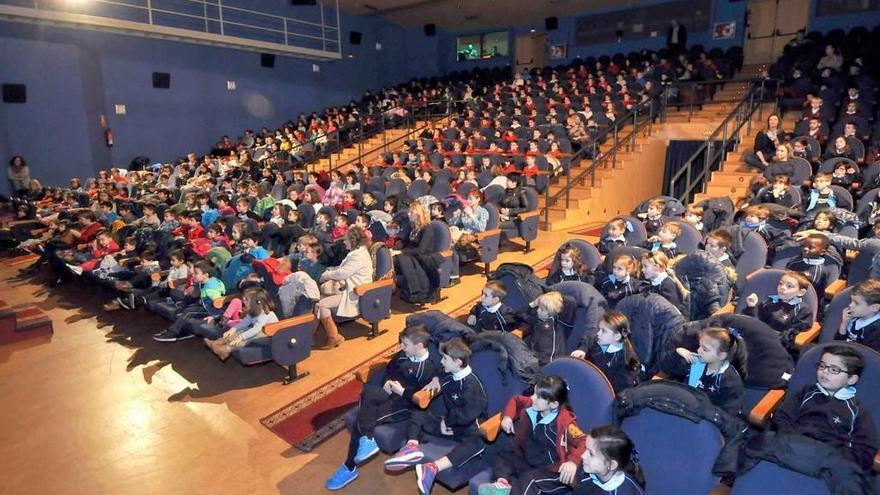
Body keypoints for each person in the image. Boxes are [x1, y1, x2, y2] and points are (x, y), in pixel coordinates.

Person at [325, 324, 439, 490]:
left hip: (405, 404)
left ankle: (350, 466)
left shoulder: (428, 369)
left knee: (360, 421)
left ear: (419, 346)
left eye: (405, 344)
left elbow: (421, 399)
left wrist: (403, 391)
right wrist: (387, 382)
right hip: (390, 393)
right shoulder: (402, 355)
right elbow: (390, 370)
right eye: (401, 343)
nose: (401, 347)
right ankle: (368, 440)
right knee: (368, 392)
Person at [384, 338, 488, 495]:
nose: (441, 361)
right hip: (448, 426)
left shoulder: (471, 385)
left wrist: (448, 422)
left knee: (478, 443)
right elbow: (435, 378)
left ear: (458, 362)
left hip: (470, 429)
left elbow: (469, 414)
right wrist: (434, 379)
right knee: (419, 414)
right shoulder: (450, 376)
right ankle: (411, 447)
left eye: (445, 358)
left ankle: (432, 468)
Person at [769, 345, 878, 471]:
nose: (824, 372)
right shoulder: (805, 393)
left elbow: (866, 446)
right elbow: (783, 416)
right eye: (822, 366)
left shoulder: (856, 409)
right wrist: (790, 439)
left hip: (831, 461)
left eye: (834, 370)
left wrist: (839, 459)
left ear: (852, 379)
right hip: (793, 445)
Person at [477, 375, 585, 495]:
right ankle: (503, 483)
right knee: (502, 456)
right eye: (534, 393)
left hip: (553, 470)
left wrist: (572, 462)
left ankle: (513, 490)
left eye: (538, 396)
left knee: (529, 481)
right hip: (529, 460)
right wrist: (507, 417)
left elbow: (584, 441)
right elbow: (516, 400)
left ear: (554, 404)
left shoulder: (565, 422)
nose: (532, 398)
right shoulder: (532, 405)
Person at [315, 226, 373, 349]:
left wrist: (326, 275)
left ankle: (334, 337)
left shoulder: (357, 256)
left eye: (346, 240)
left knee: (321, 305)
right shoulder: (358, 252)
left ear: (353, 241)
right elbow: (343, 269)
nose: (344, 242)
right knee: (316, 299)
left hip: (355, 293)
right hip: (350, 288)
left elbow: (343, 273)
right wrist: (331, 270)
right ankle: (310, 335)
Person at [673, 326, 747, 417]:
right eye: (699, 346)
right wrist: (678, 352)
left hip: (708, 420)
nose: (698, 350)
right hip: (685, 410)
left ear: (722, 356)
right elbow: (668, 368)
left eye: (705, 349)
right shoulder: (696, 363)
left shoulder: (731, 382)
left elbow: (728, 414)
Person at [571, 311, 641, 393]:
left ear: (617, 336)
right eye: (599, 329)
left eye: (603, 331)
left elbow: (618, 392)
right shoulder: (600, 344)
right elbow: (589, 343)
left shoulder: (623, 362)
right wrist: (582, 350)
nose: (598, 333)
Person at [743, 270, 814, 350]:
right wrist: (751, 307)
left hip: (776, 347)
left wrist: (764, 335)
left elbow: (790, 336)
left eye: (789, 286)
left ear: (801, 292)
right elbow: (754, 321)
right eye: (780, 284)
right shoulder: (769, 301)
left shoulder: (803, 310)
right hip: (755, 339)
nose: (782, 287)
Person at [204, 286, 278, 360]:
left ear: (256, 303)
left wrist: (241, 337)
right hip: (259, 331)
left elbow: (256, 329)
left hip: (268, 337)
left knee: (248, 336)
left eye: (246, 299)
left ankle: (227, 349)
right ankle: (218, 343)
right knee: (242, 330)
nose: (243, 300)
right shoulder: (252, 312)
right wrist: (233, 329)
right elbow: (244, 323)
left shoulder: (265, 313)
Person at [573, 425, 645, 495]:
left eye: (591, 454)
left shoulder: (624, 492)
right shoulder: (586, 469)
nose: (583, 456)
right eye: (585, 448)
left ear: (611, 465)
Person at [521, 291, 566, 366]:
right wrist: (533, 304)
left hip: (546, 364)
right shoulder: (538, 319)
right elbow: (519, 314)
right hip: (533, 357)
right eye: (538, 307)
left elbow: (549, 356)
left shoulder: (554, 328)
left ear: (550, 312)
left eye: (542, 309)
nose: (538, 310)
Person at [835, 279, 880, 353]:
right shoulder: (853, 319)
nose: (850, 305)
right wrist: (843, 325)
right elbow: (836, 345)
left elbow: (869, 357)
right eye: (851, 301)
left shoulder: (876, 331)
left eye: (856, 303)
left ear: (874, 308)